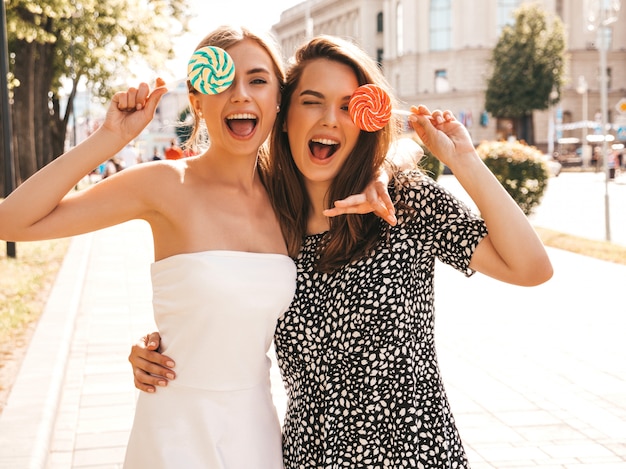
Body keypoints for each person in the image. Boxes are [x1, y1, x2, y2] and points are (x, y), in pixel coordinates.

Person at [129, 35, 553, 468]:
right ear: (285, 114)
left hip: (415, 456)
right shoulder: (270, 219)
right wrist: (161, 347)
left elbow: (532, 267)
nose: (330, 120)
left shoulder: (404, 203)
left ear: (367, 118)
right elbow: (216, 299)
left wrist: (464, 161)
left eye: (349, 106)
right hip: (307, 457)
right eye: (312, 101)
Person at [0, 27, 396, 469]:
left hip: (254, 432)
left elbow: (381, 146)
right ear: (197, 100)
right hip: (175, 430)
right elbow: (11, 220)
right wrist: (108, 140)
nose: (240, 95)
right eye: (222, 81)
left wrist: (380, 174)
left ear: (279, 104)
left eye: (259, 80)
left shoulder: (290, 199)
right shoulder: (165, 186)